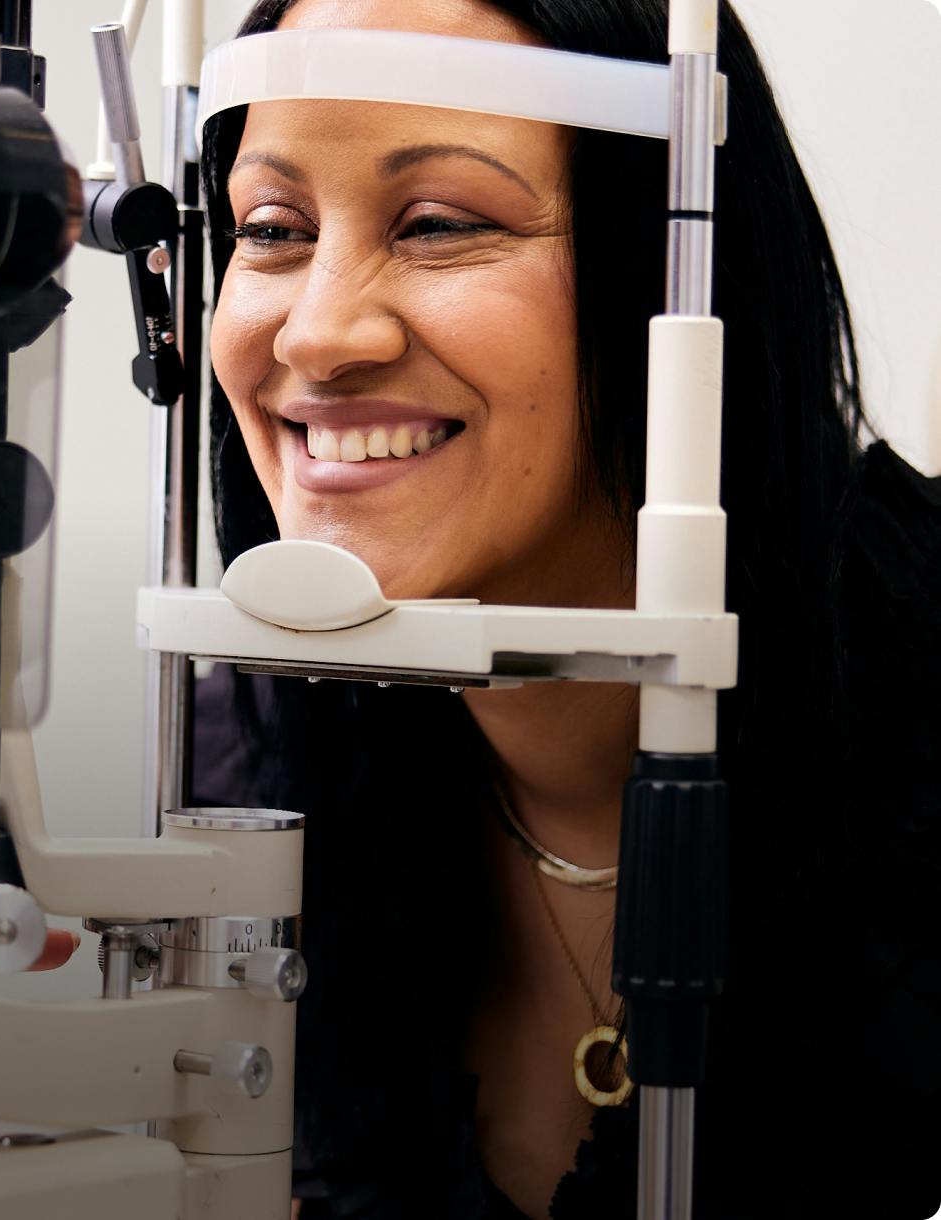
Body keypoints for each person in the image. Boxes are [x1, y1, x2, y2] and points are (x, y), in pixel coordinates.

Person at [192, 0, 941, 1218]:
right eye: (270, 228)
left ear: (671, 270)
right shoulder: (246, 774)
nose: (319, 333)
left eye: (436, 223)